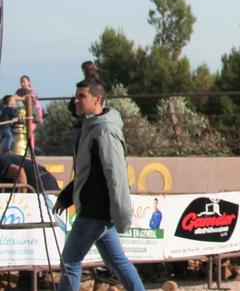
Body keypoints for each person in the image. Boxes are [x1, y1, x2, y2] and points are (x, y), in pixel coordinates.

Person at [53, 79, 145, 291]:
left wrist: (121, 212)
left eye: (82, 96)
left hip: (95, 213)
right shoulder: (91, 127)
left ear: (98, 100)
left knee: (70, 263)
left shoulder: (105, 131)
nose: (76, 100)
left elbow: (117, 177)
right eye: (76, 96)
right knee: (117, 262)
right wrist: (67, 197)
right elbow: (88, 173)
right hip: (97, 212)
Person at [16, 75, 43, 150]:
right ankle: (27, 149)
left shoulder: (32, 91)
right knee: (26, 131)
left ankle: (31, 150)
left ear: (28, 82)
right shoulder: (20, 91)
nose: (22, 84)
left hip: (35, 113)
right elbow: (15, 97)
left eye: (24, 82)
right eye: (21, 82)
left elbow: (28, 98)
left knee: (30, 131)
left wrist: (17, 98)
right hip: (27, 112)